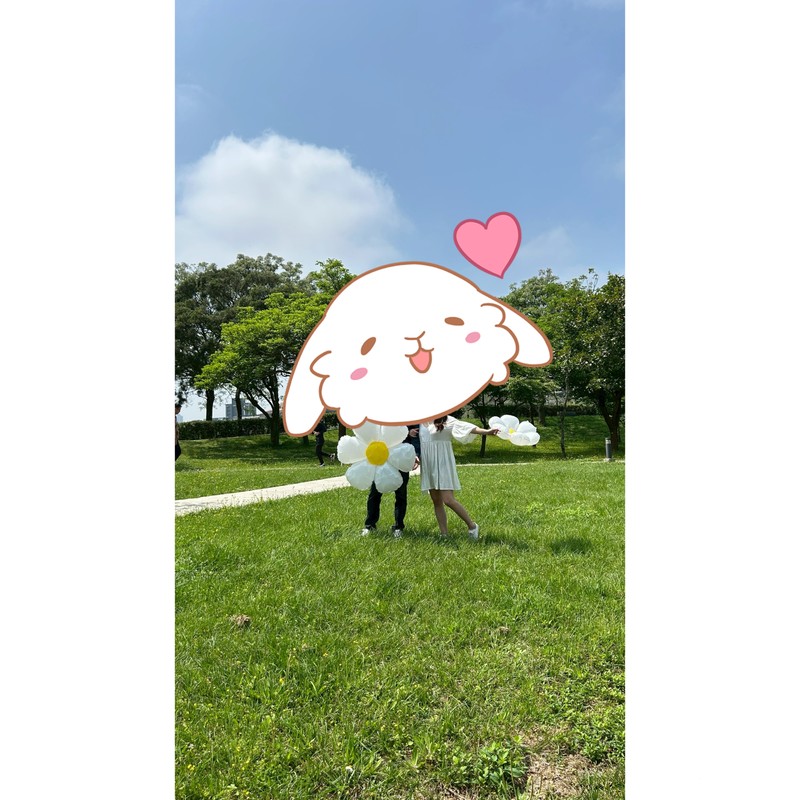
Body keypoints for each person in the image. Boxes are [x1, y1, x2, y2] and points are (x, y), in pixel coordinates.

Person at [419, 415, 499, 540]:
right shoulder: (419, 421)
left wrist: (486, 432)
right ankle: (444, 534)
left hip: (443, 462)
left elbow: (466, 427)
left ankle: (472, 526)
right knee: (436, 500)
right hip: (428, 464)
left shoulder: (446, 420)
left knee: (448, 500)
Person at [362, 424, 421, 538]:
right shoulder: (381, 418)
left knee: (401, 494)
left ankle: (398, 527)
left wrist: (416, 454)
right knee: (375, 492)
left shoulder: (410, 418)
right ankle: (369, 526)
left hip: (401, 457)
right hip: (382, 457)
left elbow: (415, 435)